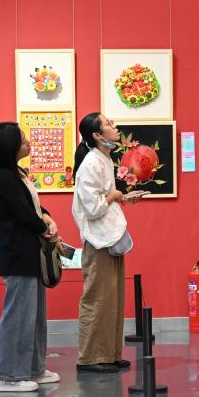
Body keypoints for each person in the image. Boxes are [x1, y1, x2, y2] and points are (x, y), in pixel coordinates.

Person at [0, 122, 65, 392]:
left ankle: (33, 369)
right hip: (17, 254)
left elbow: (32, 205)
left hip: (31, 253)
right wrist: (45, 228)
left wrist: (47, 217)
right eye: (22, 140)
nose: (27, 142)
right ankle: (8, 375)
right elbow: (21, 212)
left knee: (35, 317)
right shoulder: (2, 177)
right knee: (19, 316)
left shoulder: (17, 173)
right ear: (9, 147)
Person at [71, 113, 143, 373]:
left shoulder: (104, 159)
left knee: (112, 298)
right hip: (98, 241)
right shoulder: (91, 162)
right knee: (97, 298)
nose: (116, 127)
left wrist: (121, 197)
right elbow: (92, 207)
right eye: (109, 124)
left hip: (109, 237)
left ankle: (109, 353)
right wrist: (114, 195)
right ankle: (91, 357)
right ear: (97, 136)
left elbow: (103, 199)